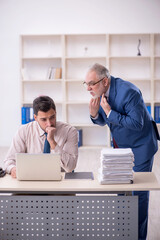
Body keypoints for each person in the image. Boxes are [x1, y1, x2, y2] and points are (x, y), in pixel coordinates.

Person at [84, 63, 159, 240]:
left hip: (141, 146)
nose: (88, 88)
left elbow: (136, 123)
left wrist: (109, 112)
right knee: (120, 190)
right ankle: (123, 233)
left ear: (105, 81)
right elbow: (103, 120)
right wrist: (95, 114)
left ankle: (139, 237)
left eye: (91, 84)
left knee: (138, 196)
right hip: (120, 147)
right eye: (85, 84)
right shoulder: (101, 92)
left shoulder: (130, 92)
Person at [4, 96, 78, 178]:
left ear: (56, 113)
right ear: (35, 118)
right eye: (44, 119)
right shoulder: (24, 130)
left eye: (52, 117)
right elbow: (9, 161)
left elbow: (71, 167)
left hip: (61, 180)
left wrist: (52, 142)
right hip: (32, 178)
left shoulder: (70, 131)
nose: (49, 123)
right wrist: (13, 169)